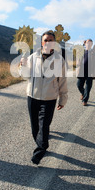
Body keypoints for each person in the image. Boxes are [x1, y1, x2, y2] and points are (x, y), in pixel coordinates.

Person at [20, 31, 68, 165]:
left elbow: (62, 81)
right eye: (45, 40)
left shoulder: (59, 60)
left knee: (44, 126)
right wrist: (22, 66)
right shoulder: (33, 57)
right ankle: (41, 143)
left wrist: (62, 99)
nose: (48, 42)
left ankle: (40, 150)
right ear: (42, 42)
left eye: (51, 40)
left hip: (49, 99)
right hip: (32, 96)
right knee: (34, 126)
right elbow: (25, 76)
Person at [76, 39, 95, 106]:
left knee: (88, 87)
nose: (88, 44)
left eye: (90, 43)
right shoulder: (82, 51)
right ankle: (83, 94)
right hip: (81, 72)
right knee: (79, 85)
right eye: (87, 43)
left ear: (92, 44)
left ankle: (85, 100)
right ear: (85, 44)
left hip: (90, 72)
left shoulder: (93, 52)